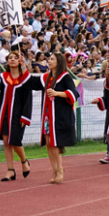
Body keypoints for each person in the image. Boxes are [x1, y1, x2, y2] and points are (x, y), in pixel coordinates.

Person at [0, 50, 34, 181]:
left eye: (15, 57)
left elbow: (28, 99)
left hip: (17, 115)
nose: (12, 59)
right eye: (10, 58)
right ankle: (10, 170)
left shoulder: (24, 78)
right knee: (6, 142)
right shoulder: (4, 77)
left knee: (15, 140)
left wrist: (25, 117)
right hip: (4, 112)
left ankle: (24, 161)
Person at [39, 52, 78, 182]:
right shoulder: (48, 78)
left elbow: (74, 93)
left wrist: (57, 93)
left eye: (52, 59)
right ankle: (54, 170)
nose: (48, 61)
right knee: (48, 143)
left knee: (54, 143)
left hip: (59, 116)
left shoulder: (65, 77)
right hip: (47, 115)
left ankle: (60, 169)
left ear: (59, 62)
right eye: (48, 59)